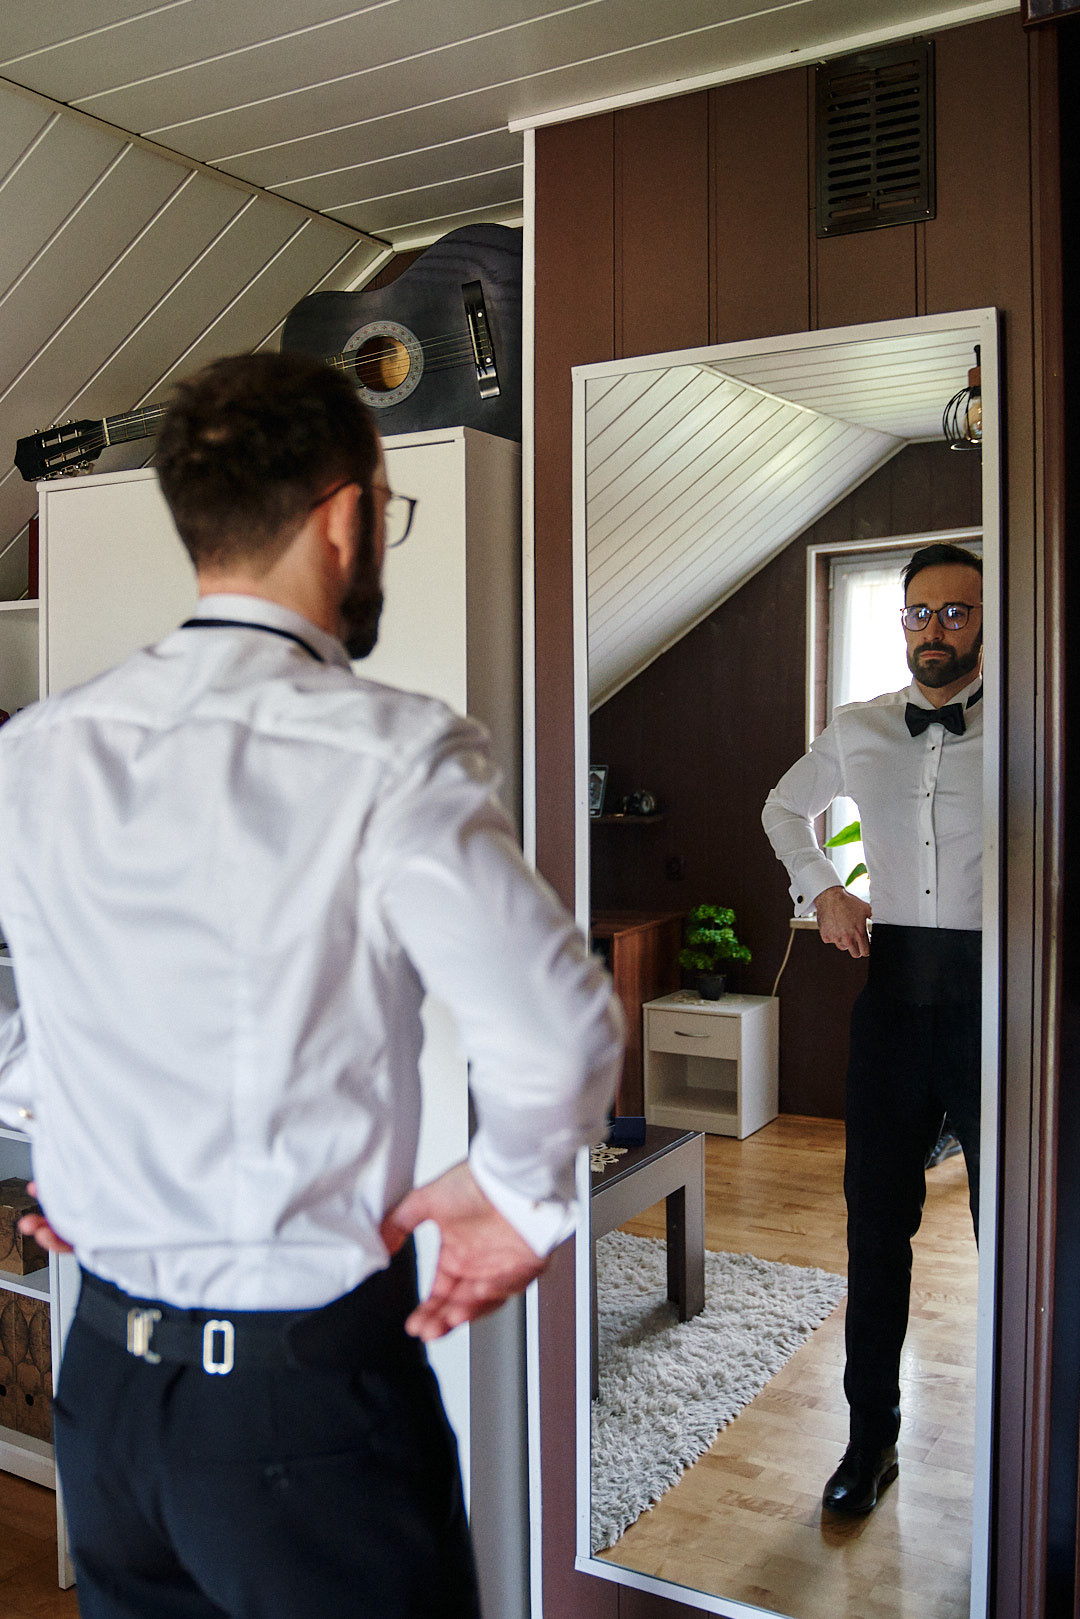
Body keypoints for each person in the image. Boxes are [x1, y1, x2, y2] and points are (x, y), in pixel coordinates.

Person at [0, 351, 624, 1617]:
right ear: (346, 516)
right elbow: (556, 1032)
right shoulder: (388, 751)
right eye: (386, 511)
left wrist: (76, 1143)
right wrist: (514, 1194)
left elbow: (40, 1013)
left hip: (104, 1398)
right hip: (300, 1416)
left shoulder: (37, 751)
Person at [762, 541, 983, 1516]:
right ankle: (869, 1442)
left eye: (955, 611)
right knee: (875, 1230)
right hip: (891, 1003)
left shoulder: (1028, 721)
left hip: (996, 1006)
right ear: (901, 623)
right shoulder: (856, 729)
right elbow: (783, 808)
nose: (935, 629)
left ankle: (1020, 1442)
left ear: (984, 622)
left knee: (1011, 1231)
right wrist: (824, 889)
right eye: (919, 612)